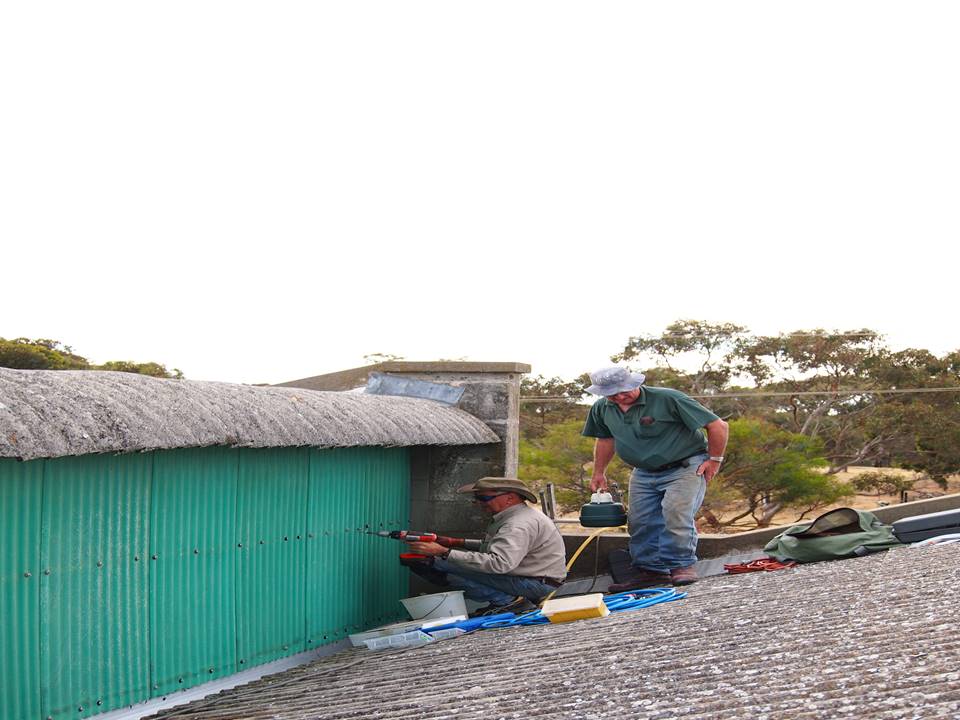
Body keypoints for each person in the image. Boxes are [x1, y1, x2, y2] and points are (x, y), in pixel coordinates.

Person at [582, 366, 728, 589]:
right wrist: (599, 472)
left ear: (635, 383)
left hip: (685, 466)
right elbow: (605, 439)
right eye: (613, 393)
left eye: (624, 390)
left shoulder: (668, 398)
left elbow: (718, 425)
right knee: (640, 521)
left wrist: (714, 460)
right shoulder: (602, 408)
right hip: (643, 471)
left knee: (676, 514)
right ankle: (651, 571)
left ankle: (681, 565)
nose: (620, 396)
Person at [404, 477, 568, 615]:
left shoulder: (516, 525)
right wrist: (456, 543)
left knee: (436, 565)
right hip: (536, 579)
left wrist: (444, 552)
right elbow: (496, 547)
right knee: (447, 561)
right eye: (476, 499)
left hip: (535, 584)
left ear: (509, 498)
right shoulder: (518, 516)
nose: (478, 503)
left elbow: (499, 564)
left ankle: (507, 602)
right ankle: (507, 601)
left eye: (483, 498)